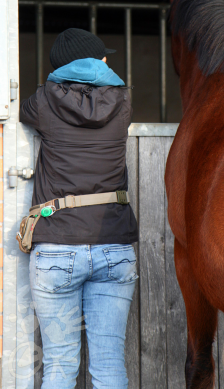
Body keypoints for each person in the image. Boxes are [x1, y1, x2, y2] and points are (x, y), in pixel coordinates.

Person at [20, 28, 138, 389]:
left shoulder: (43, 102)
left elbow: (22, 112)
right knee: (108, 365)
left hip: (57, 247)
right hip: (114, 247)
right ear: (97, 61)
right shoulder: (123, 100)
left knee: (58, 365)